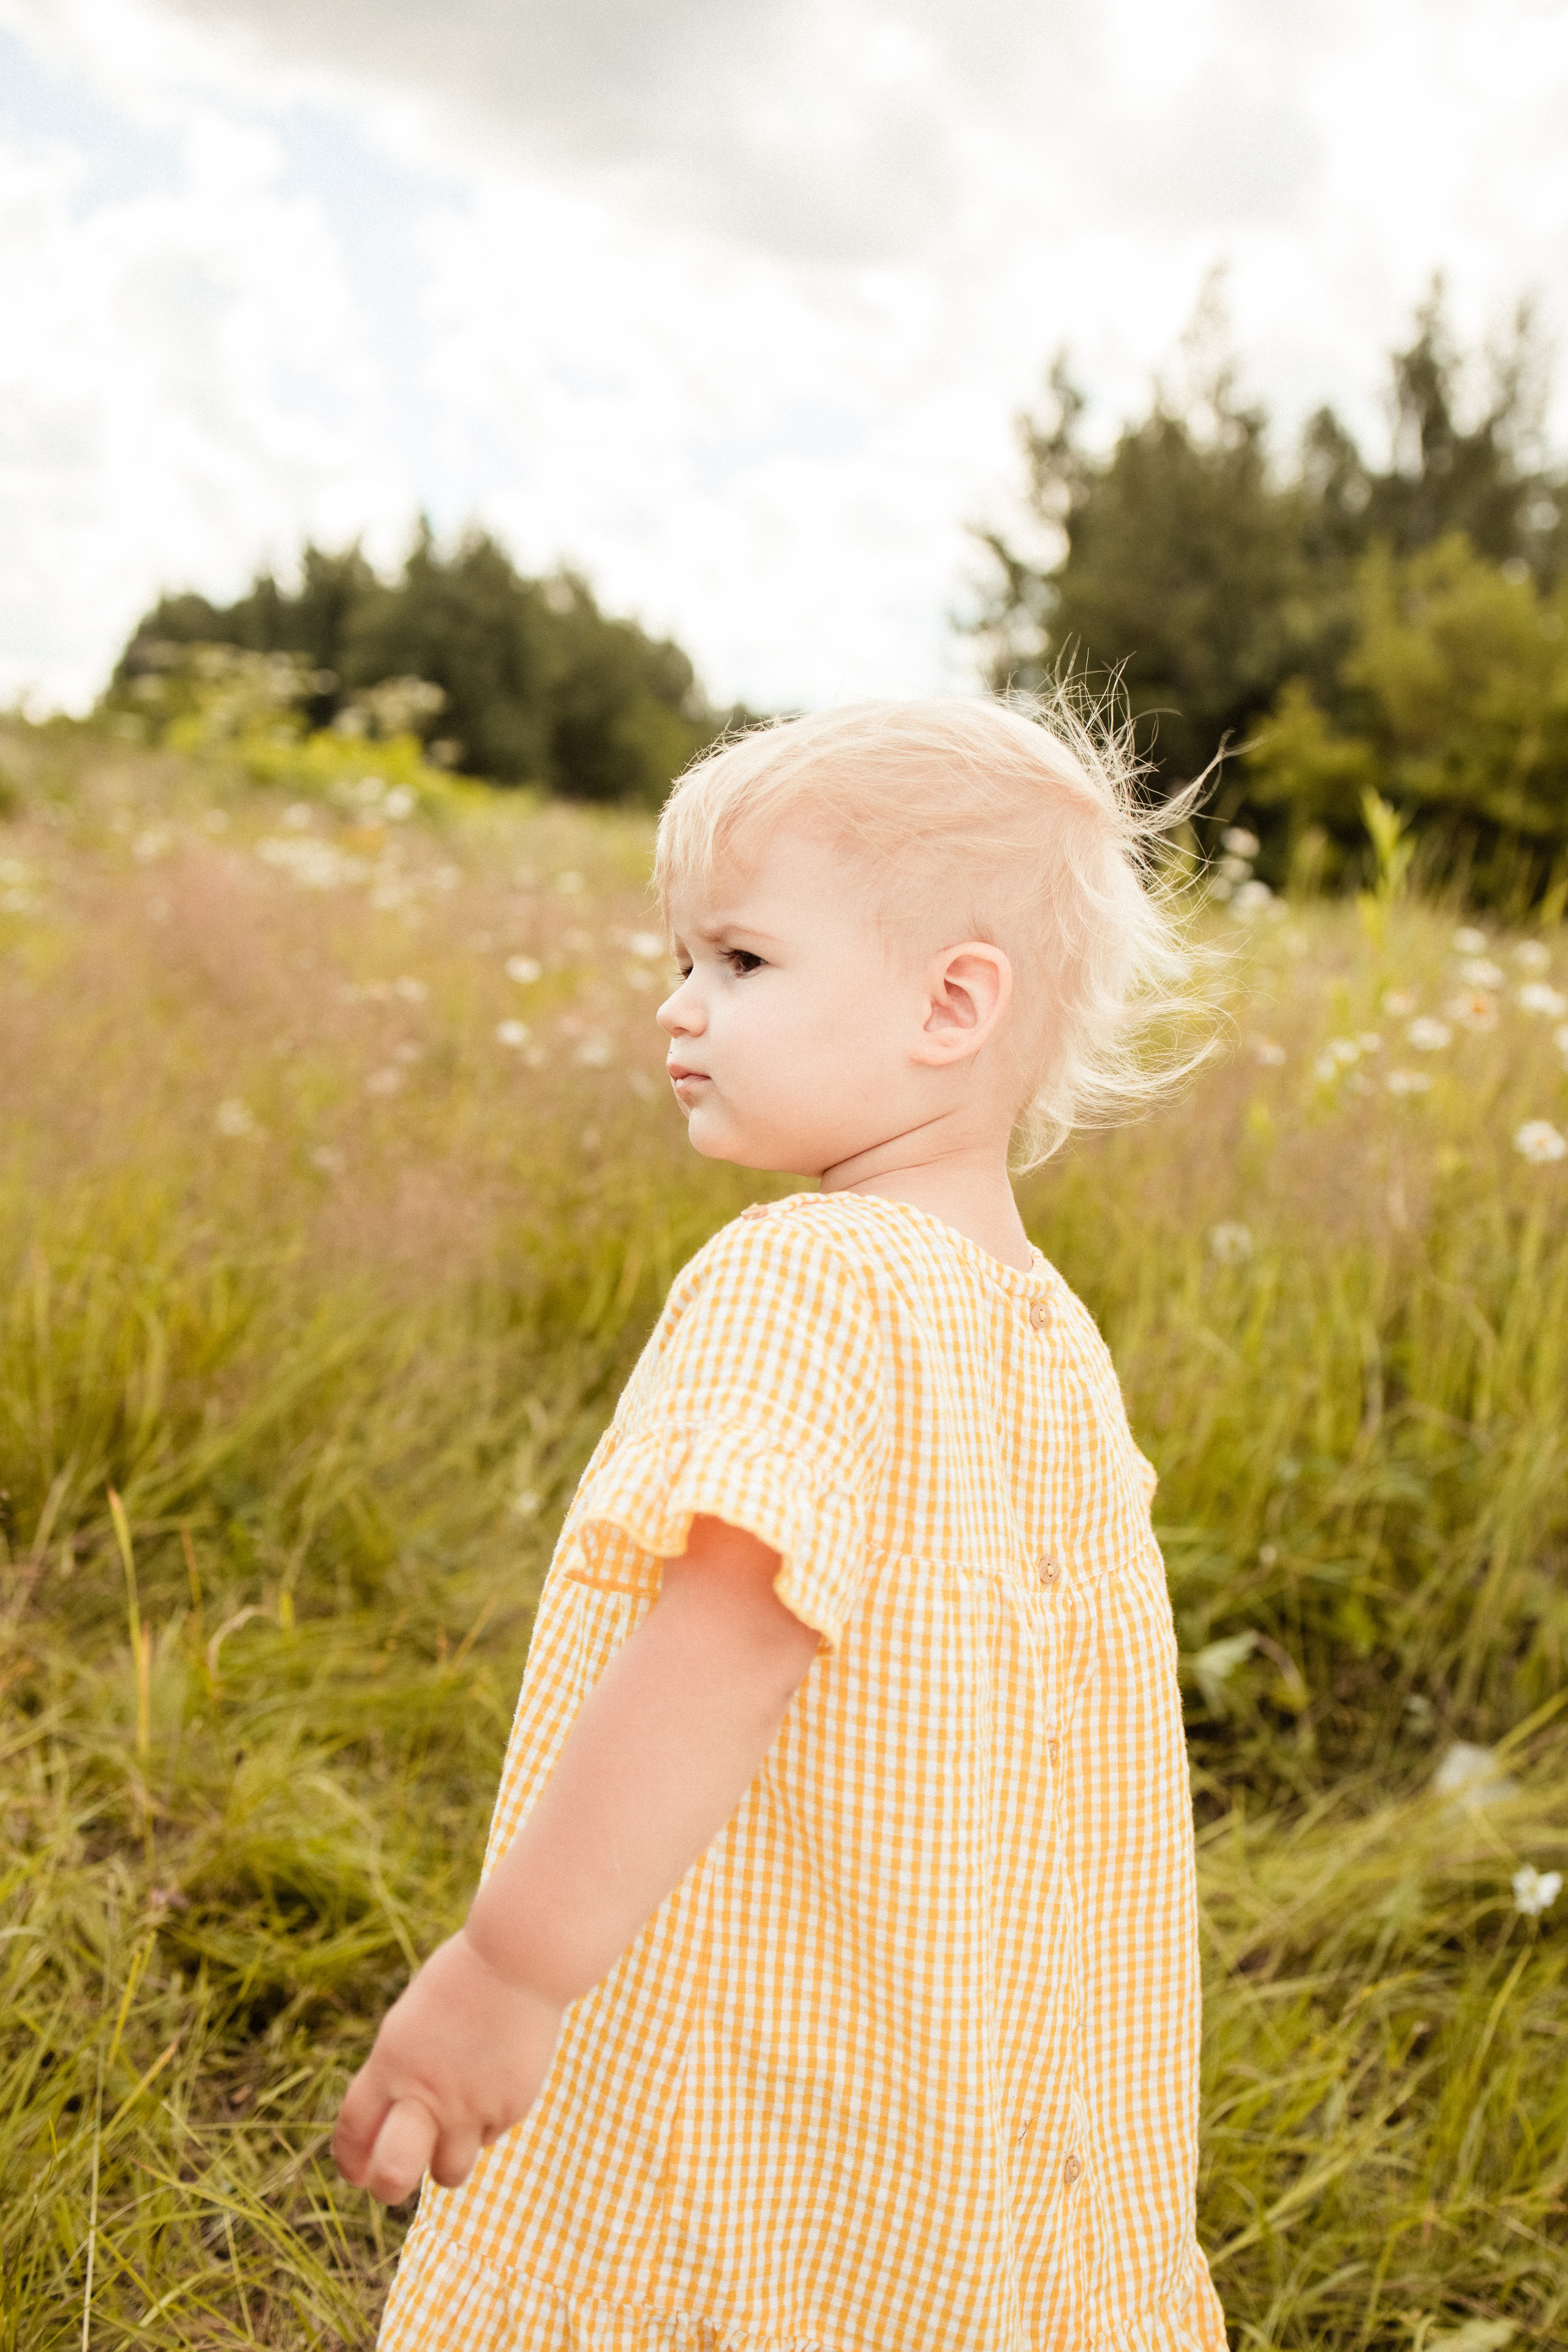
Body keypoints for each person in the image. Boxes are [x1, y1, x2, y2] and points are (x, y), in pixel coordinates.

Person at [335, 694, 1229, 2352]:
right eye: (680, 960)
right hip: (954, 2054)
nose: (677, 1010)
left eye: (740, 963)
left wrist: (512, 1971)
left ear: (953, 1005)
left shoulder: (804, 1278)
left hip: (761, 2035)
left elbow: (729, 1644)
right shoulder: (1046, 1328)